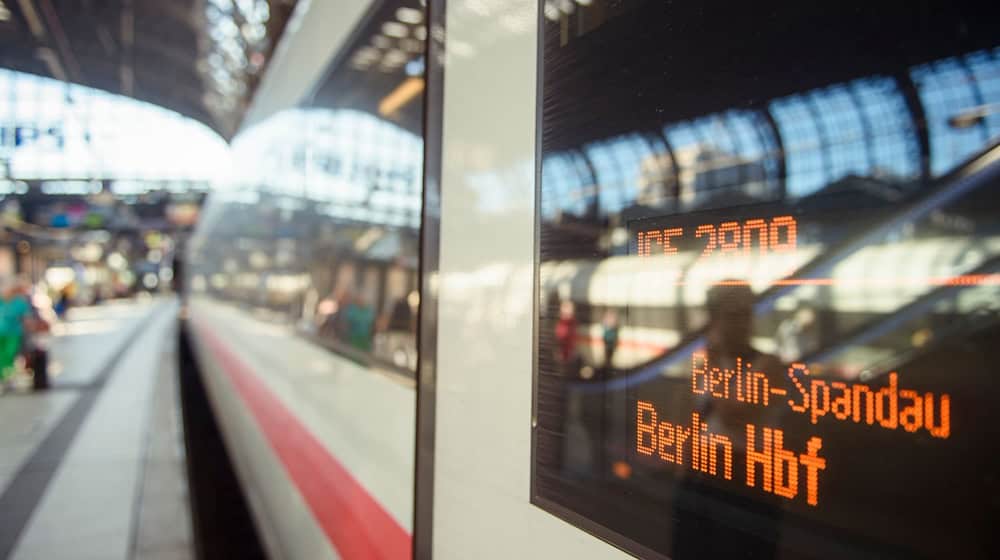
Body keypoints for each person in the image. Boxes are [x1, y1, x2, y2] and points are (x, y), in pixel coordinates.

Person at [0, 278, 33, 387]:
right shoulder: (1, 301)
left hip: (14, 333)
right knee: (2, 356)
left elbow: (27, 318)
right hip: (1, 334)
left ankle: (7, 377)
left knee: (9, 355)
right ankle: (3, 377)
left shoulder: (19, 302)